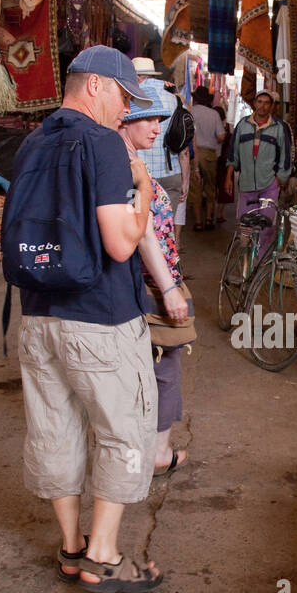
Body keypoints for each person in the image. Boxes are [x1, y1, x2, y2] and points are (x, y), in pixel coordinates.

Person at [11, 45, 164, 593]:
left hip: (37, 316)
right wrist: (144, 188)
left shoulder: (32, 141)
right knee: (124, 431)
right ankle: (102, 559)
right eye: (125, 96)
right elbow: (122, 244)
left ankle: (71, 546)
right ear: (96, 85)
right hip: (100, 319)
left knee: (57, 426)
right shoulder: (102, 144)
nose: (127, 111)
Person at [116, 78, 195, 478]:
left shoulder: (134, 163)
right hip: (148, 285)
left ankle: (147, 448)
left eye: (160, 120)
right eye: (147, 120)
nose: (157, 128)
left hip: (153, 282)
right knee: (164, 367)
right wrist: (167, 289)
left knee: (157, 366)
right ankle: (157, 452)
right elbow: (142, 232)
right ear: (123, 122)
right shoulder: (125, 170)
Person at [224, 89, 293, 257]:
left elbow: (286, 155)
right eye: (259, 102)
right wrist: (229, 177)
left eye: (266, 103)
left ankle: (260, 265)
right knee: (245, 228)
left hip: (269, 185)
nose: (262, 106)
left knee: (267, 227)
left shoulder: (279, 127)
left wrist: (279, 179)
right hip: (246, 183)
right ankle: (245, 263)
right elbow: (233, 152)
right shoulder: (243, 125)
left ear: (271, 106)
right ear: (254, 104)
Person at [132, 59, 188, 242]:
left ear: (137, 77)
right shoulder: (175, 100)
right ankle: (164, 266)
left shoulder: (131, 99)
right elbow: (183, 146)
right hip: (172, 174)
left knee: (139, 231)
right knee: (163, 231)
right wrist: (185, 180)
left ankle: (144, 268)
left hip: (141, 175)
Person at [189, 85, 226, 231]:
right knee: (210, 188)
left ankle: (198, 222)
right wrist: (213, 141)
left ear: (195, 99)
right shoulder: (214, 114)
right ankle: (209, 219)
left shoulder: (190, 113)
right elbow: (221, 136)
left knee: (195, 189)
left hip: (194, 154)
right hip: (210, 154)